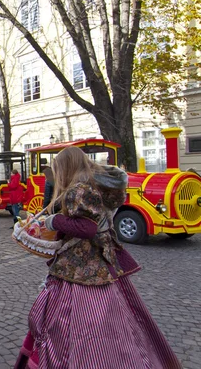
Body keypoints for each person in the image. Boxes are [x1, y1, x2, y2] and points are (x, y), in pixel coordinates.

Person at [14, 146, 180, 369]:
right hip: (101, 261)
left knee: (73, 322)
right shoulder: (97, 186)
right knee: (117, 317)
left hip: (80, 266)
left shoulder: (78, 189)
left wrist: (53, 221)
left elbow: (87, 227)